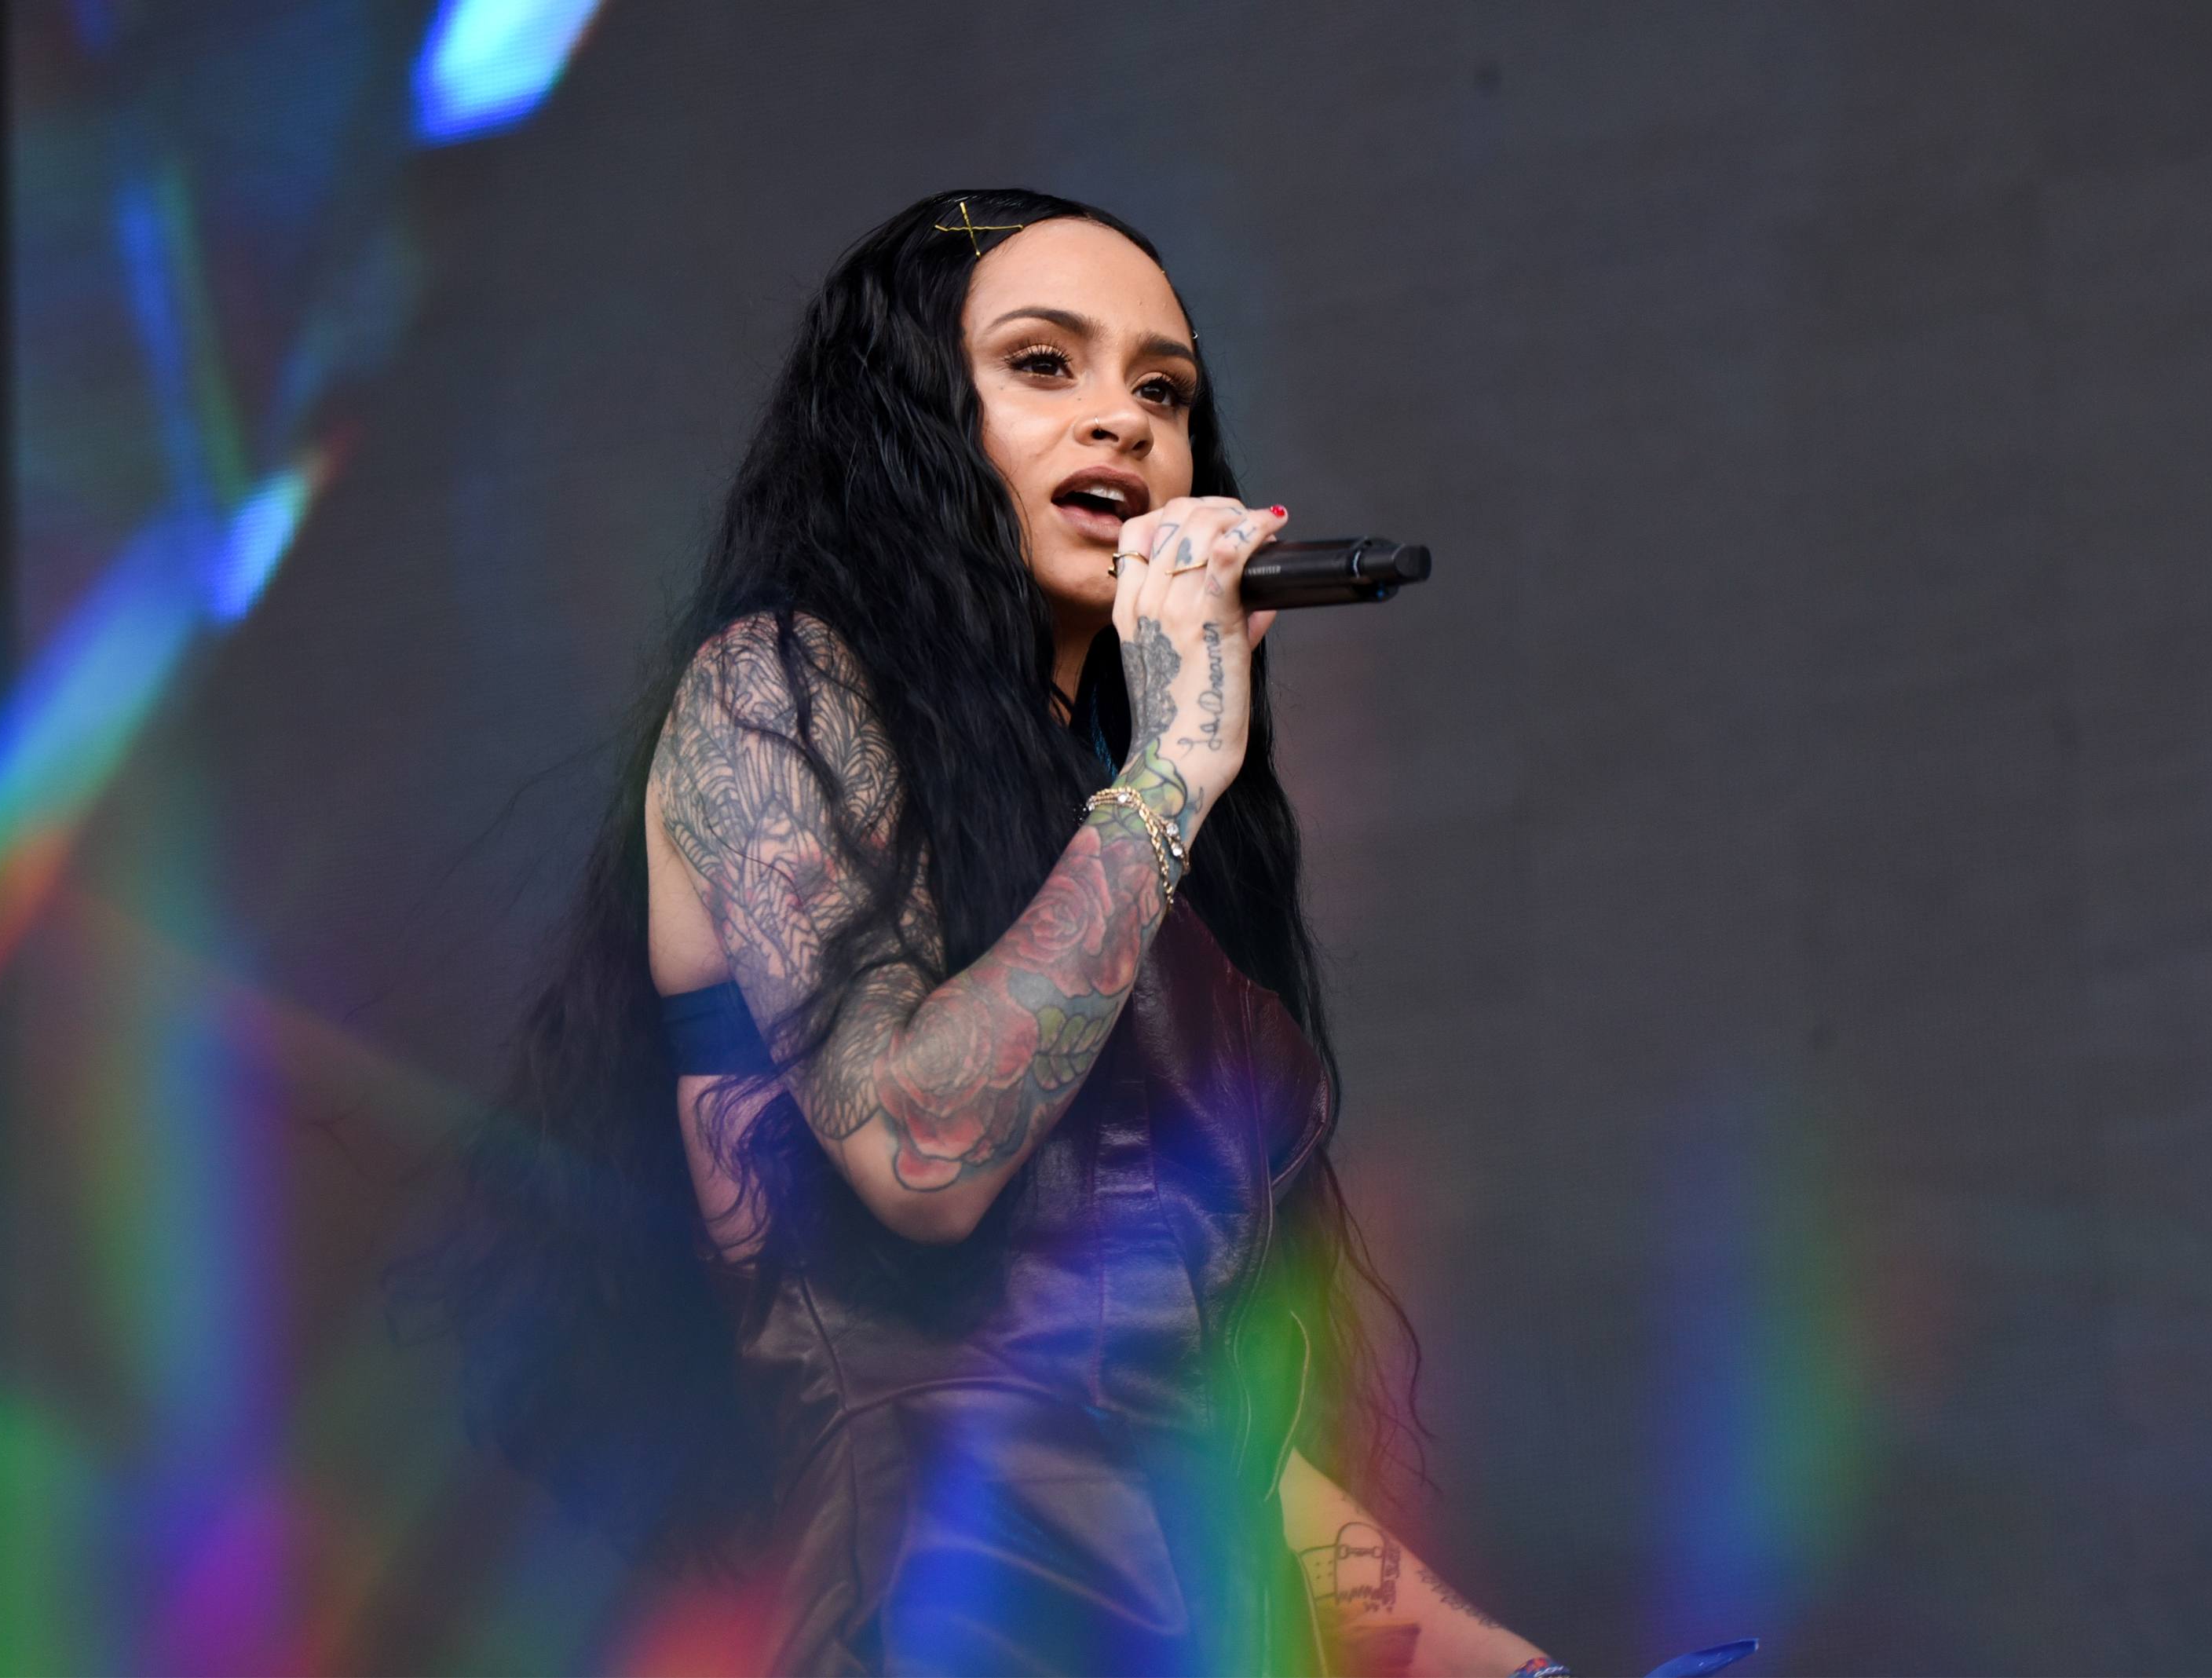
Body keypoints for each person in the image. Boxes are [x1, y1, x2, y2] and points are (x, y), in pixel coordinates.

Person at [431, 189, 1563, 1677]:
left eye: (1163, 389)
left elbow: (1175, 1441)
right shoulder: (774, 695)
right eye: (1046, 364)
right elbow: (916, 1152)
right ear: (910, 420)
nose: (1124, 421)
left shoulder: (1114, 837)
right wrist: (1176, 765)